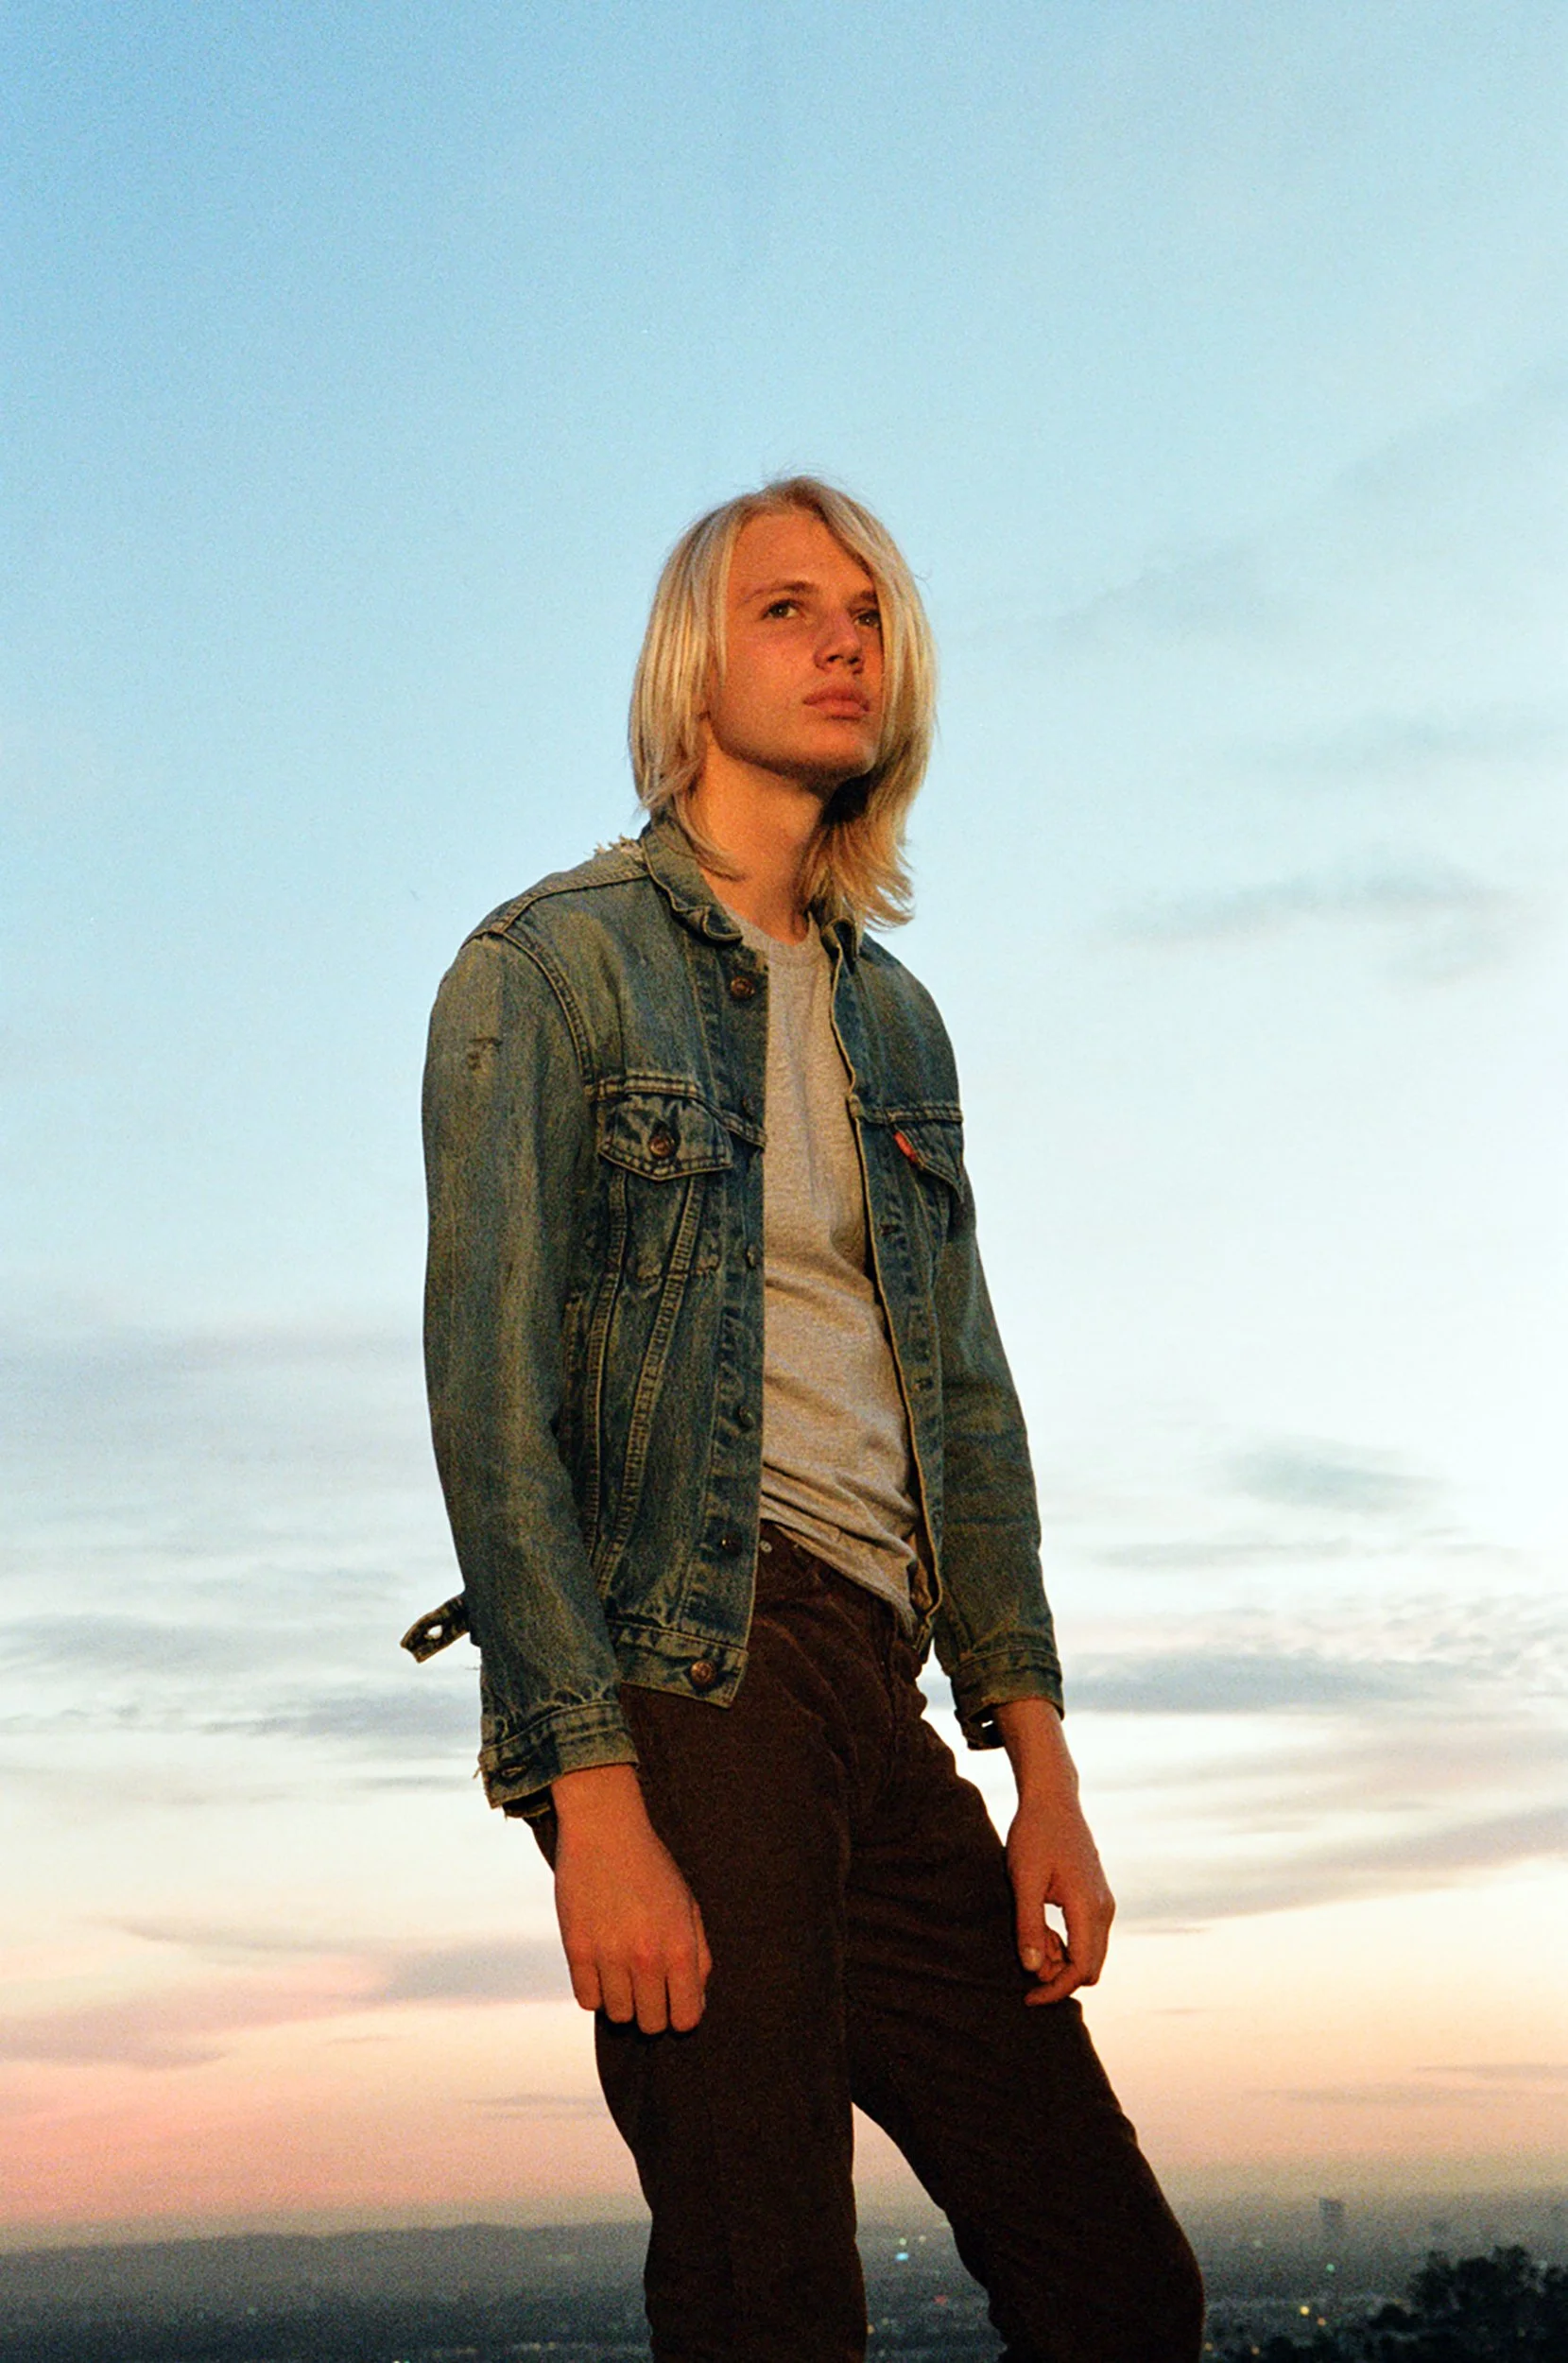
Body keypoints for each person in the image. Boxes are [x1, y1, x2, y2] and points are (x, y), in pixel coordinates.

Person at [413, 477, 1204, 2361]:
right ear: (694, 666)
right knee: (773, 2295)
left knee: (1119, 2282)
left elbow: (972, 1410)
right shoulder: (548, 970)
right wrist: (586, 1791)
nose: (845, 637)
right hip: (690, 1679)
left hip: (880, 1686)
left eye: (866, 610)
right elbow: (493, 1404)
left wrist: (1044, 1774)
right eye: (788, 607)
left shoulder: (898, 1023)